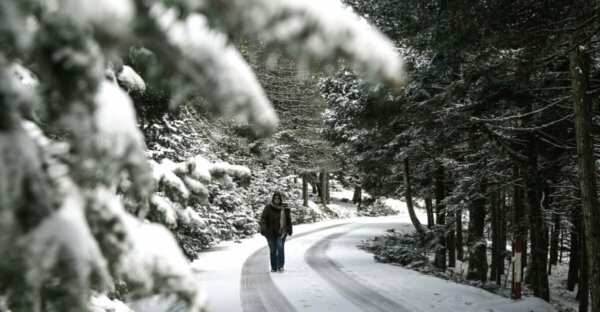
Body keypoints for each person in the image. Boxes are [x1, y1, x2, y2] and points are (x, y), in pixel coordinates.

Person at [260, 191, 292, 272]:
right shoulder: (268, 208)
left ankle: (280, 266)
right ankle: (274, 267)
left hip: (281, 232)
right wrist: (263, 228)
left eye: (278, 198)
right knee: (273, 250)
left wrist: (290, 229)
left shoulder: (284, 209)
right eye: (275, 198)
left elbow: (288, 221)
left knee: (280, 247)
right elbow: (263, 218)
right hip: (270, 232)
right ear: (273, 199)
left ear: (280, 199)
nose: (277, 199)